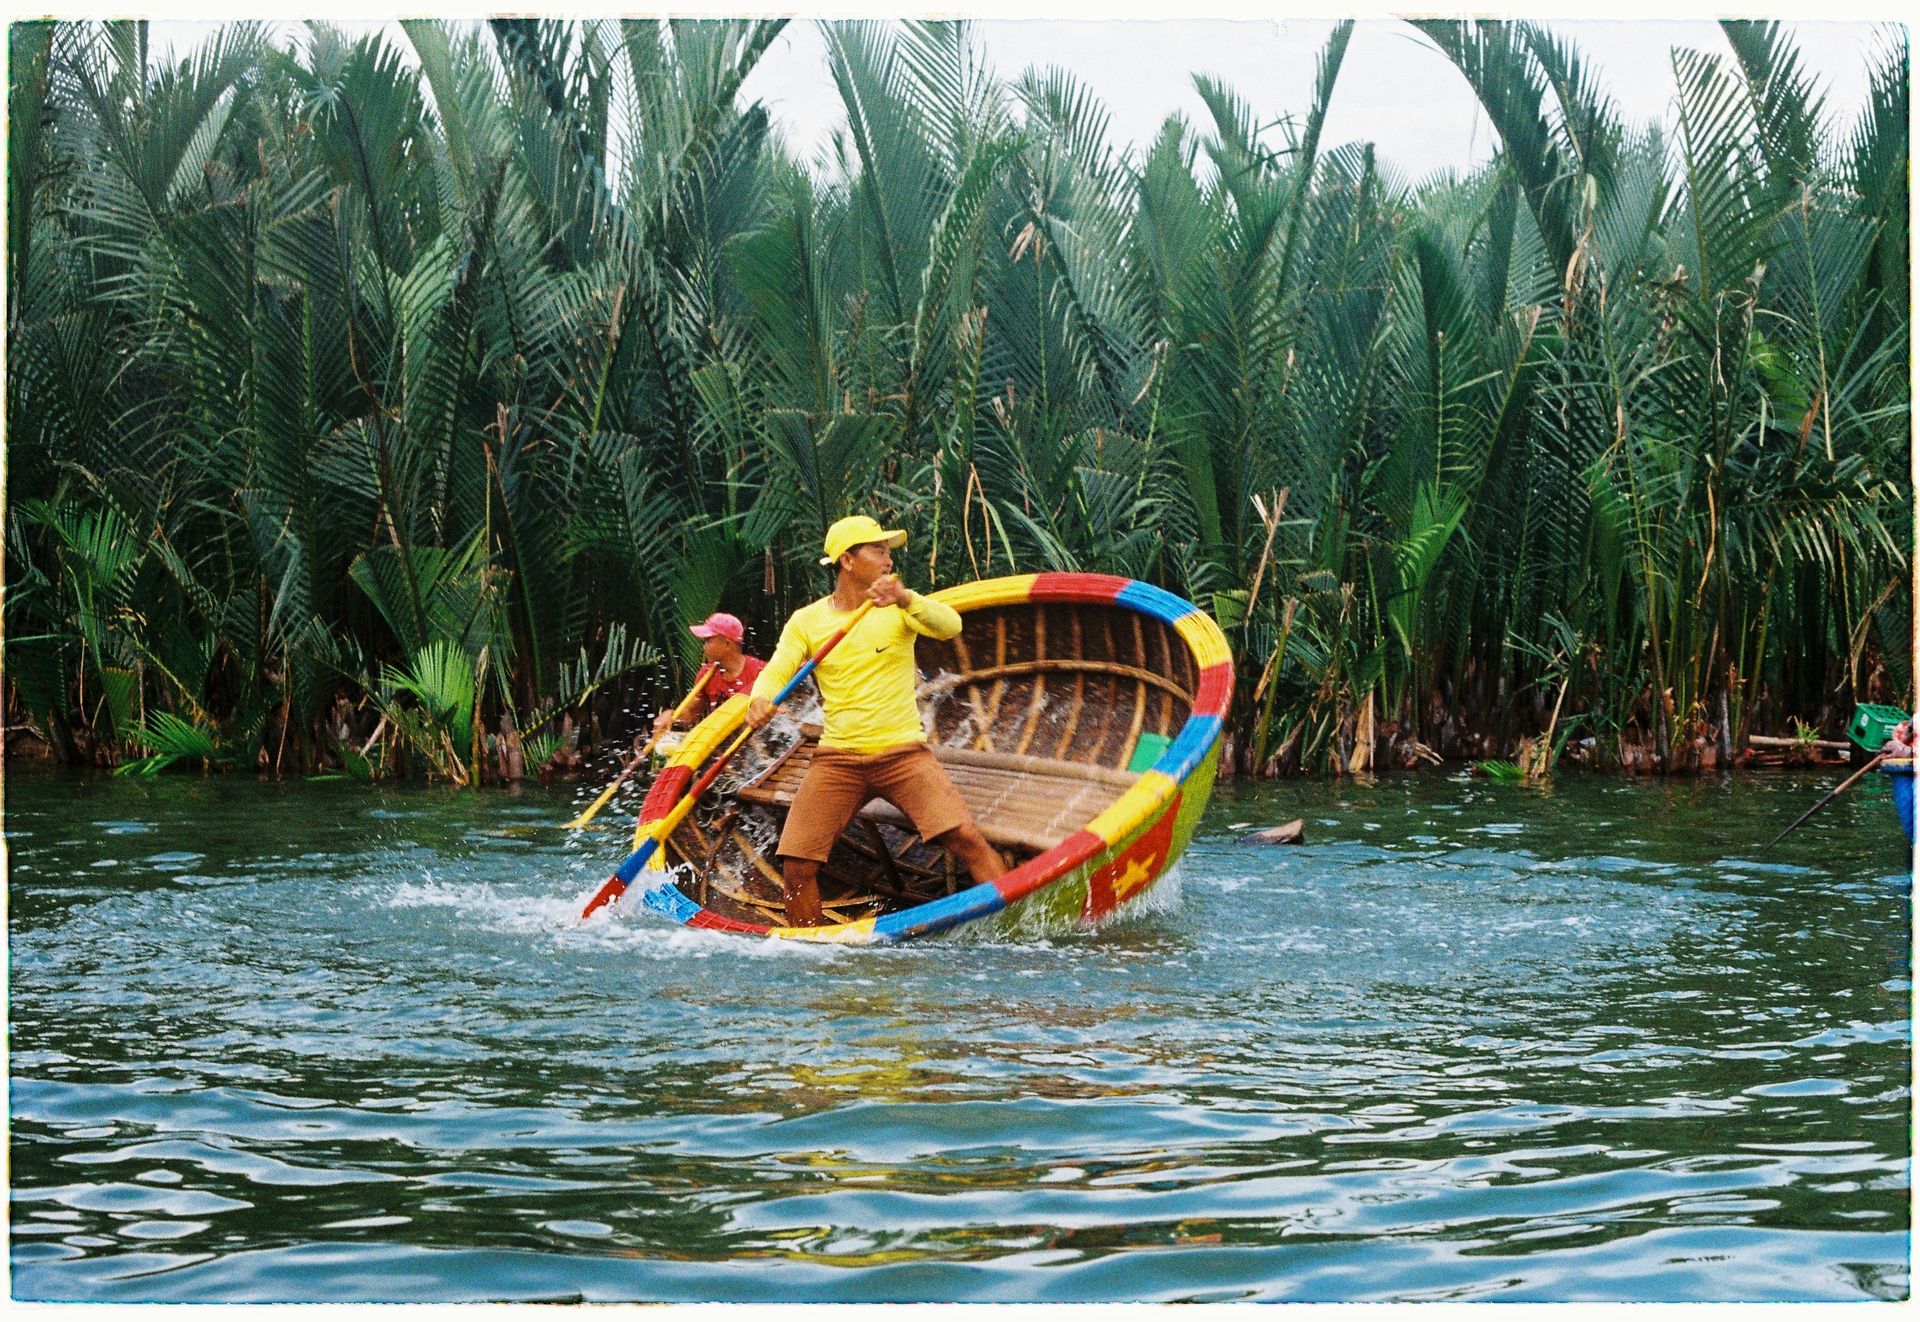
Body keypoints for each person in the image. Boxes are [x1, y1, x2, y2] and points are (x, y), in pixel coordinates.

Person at [745, 515, 1005, 926]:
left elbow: (950, 625)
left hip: (901, 752)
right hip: (838, 758)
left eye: (889, 552)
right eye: (878, 550)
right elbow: (778, 669)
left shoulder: (900, 607)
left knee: (966, 839)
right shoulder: (807, 620)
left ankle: (1010, 920)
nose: (888, 560)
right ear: (847, 560)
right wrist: (760, 698)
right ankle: (810, 954)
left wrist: (906, 599)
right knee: (797, 865)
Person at [652, 612, 766, 740]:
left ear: (727, 644)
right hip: (721, 742)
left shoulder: (761, 671)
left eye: (708, 641)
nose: (704, 647)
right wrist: (671, 715)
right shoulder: (706, 673)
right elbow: (690, 712)